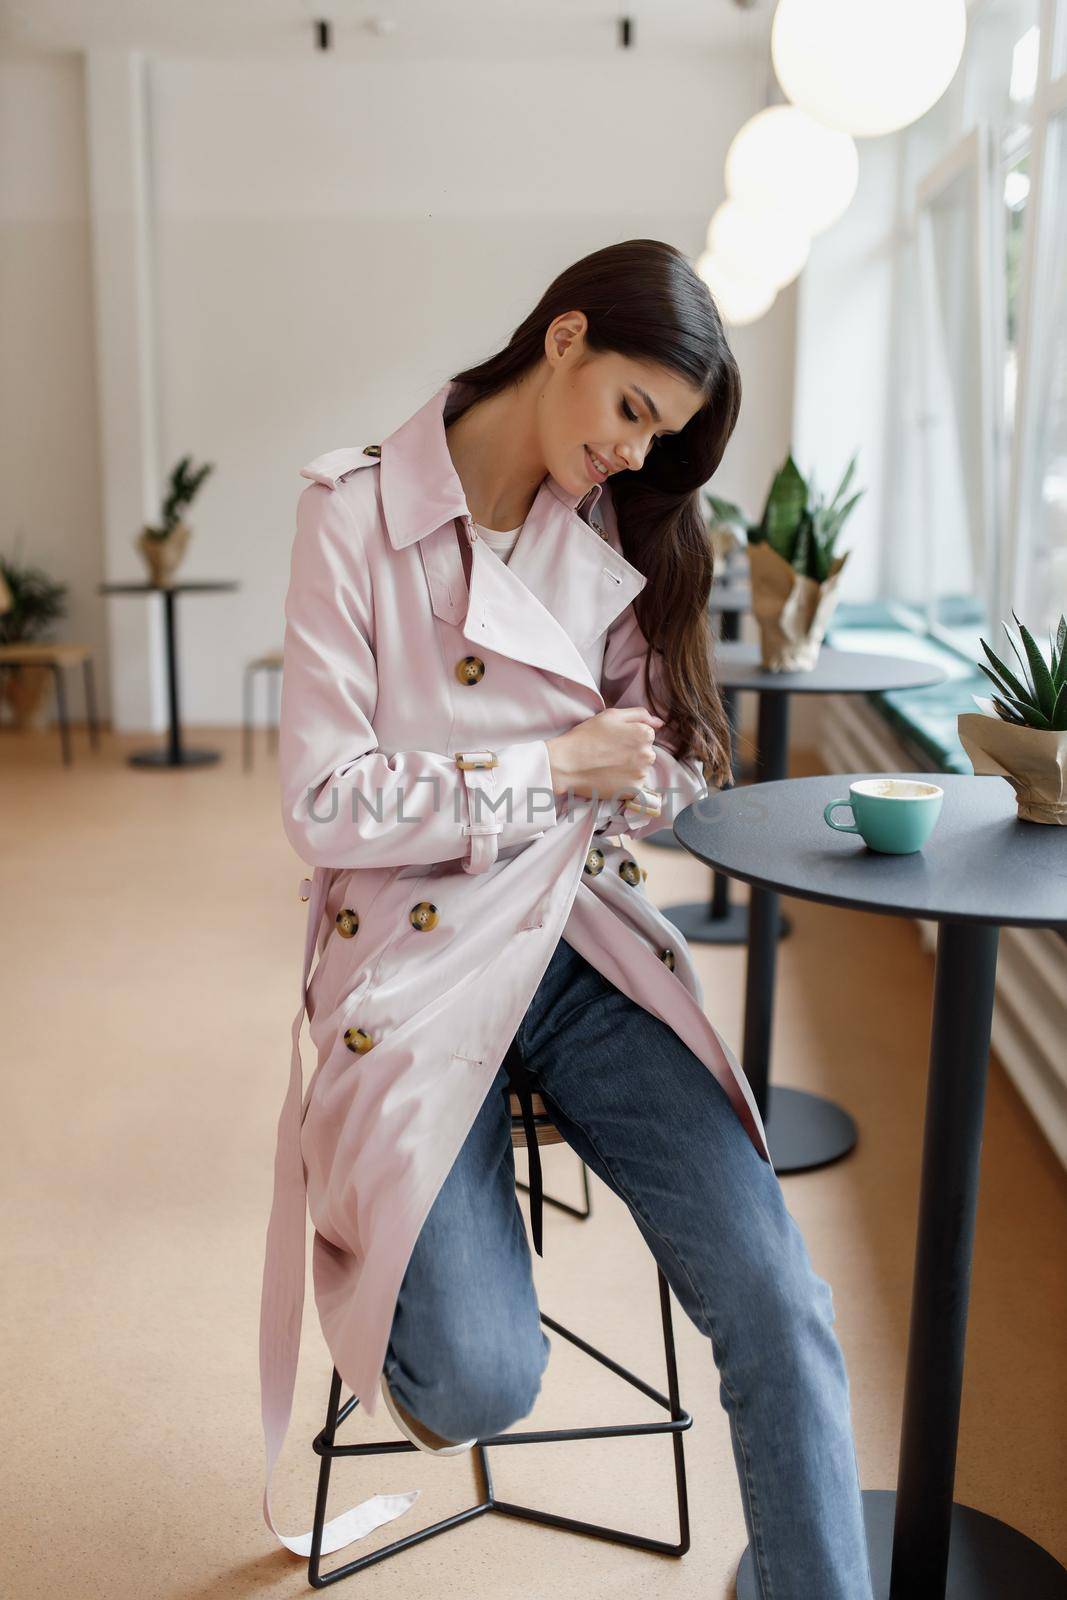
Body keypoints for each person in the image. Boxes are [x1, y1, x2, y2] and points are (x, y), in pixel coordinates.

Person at [261, 238, 875, 1599]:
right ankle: (436, 1262)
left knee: (781, 1303)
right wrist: (548, 771)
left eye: (658, 436)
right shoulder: (351, 515)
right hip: (417, 976)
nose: (631, 454)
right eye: (631, 412)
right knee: (480, 1378)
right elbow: (322, 804)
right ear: (564, 336)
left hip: (578, 948)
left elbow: (655, 761)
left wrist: (647, 774)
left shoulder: (612, 529)